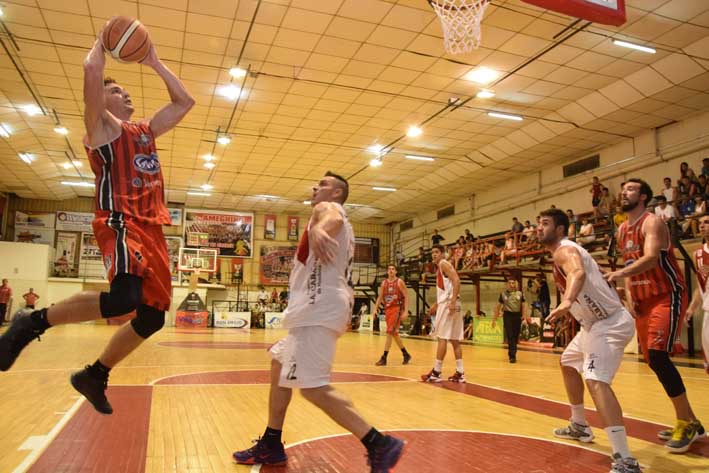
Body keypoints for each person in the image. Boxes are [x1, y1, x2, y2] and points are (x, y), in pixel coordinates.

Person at [0, 31, 194, 416]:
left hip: (153, 229)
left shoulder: (145, 131)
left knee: (152, 318)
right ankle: (32, 322)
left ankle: (95, 374)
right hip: (120, 219)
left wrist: (153, 61)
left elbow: (184, 101)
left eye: (126, 92)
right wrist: (104, 42)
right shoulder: (102, 130)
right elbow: (92, 69)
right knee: (124, 299)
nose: (126, 96)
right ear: (101, 101)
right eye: (117, 91)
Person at [232, 172, 405, 471]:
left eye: (323, 185)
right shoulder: (331, 216)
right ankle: (272, 442)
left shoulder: (328, 210)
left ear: (337, 193)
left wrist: (319, 230)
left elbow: (331, 215)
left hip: (319, 307)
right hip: (317, 307)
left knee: (313, 387)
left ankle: (379, 443)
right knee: (279, 362)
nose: (316, 188)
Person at [537, 208, 641, 473]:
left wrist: (568, 300)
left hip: (609, 324)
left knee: (595, 380)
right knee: (568, 362)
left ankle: (625, 459)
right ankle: (580, 425)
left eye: (545, 224)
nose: (539, 228)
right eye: (538, 224)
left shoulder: (565, 250)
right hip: (592, 325)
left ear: (560, 229)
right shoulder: (560, 254)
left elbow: (577, 273)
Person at [606, 178, 704, 452]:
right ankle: (692, 420)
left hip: (666, 295)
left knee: (660, 356)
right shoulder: (621, 229)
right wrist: (629, 293)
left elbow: (649, 257)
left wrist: (619, 275)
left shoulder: (652, 222)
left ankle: (685, 422)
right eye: (623, 188)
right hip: (642, 300)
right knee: (652, 360)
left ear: (644, 197)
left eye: (632, 189)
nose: (624, 192)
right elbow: (628, 263)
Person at [421, 244, 466, 383]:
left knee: (442, 338)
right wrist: (436, 304)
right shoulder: (441, 266)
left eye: (437, 252)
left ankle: (436, 372)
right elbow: (448, 288)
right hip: (450, 302)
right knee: (454, 339)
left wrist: (451, 302)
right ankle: (460, 372)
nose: (434, 255)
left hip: (449, 304)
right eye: (432, 252)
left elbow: (457, 280)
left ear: (442, 254)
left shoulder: (443, 264)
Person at [374, 265, 411, 366]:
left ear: (396, 271)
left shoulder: (399, 282)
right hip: (388, 309)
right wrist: (375, 309)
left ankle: (384, 357)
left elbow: (406, 296)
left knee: (389, 332)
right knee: (394, 333)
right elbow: (380, 297)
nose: (391, 270)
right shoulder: (384, 283)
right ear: (387, 271)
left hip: (397, 309)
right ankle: (406, 354)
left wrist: (406, 311)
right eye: (389, 269)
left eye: (393, 269)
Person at [687, 214, 709, 375]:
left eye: (706, 222)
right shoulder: (697, 254)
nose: (702, 225)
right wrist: (691, 308)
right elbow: (699, 286)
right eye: (700, 223)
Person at [493, 278, 531, 363]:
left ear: (515, 284)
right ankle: (512, 356)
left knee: (515, 336)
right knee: (510, 335)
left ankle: (513, 352)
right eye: (509, 283)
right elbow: (498, 307)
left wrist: (525, 316)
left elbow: (524, 305)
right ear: (507, 284)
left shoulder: (520, 294)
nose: (511, 284)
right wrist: (494, 319)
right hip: (507, 316)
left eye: (513, 283)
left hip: (517, 316)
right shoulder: (502, 294)